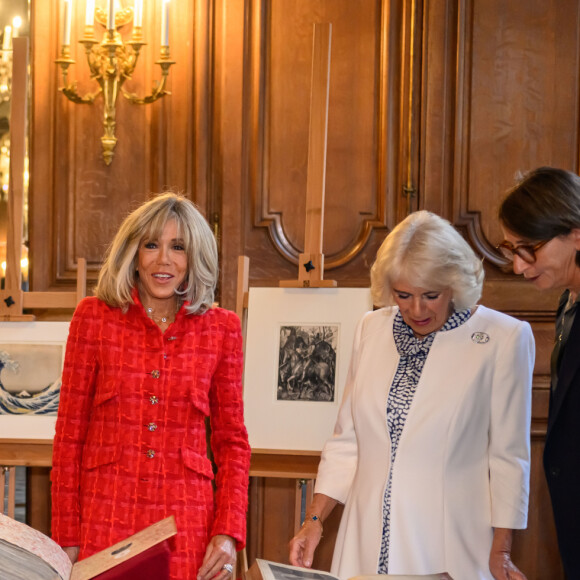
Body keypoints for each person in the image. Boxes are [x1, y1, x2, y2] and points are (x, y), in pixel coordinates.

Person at [289, 211, 534, 580]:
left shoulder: (504, 338)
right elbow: (347, 441)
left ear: (454, 285)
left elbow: (508, 457)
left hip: (450, 545)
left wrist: (501, 549)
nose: (416, 310)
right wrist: (314, 522)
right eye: (403, 295)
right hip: (365, 541)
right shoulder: (371, 329)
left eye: (431, 296)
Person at [51, 192, 251, 580]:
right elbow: (69, 437)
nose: (164, 260)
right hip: (103, 521)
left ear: (194, 257)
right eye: (152, 245)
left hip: (187, 529)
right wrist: (66, 535)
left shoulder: (221, 328)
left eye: (178, 247)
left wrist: (227, 532)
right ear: (133, 253)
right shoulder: (93, 318)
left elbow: (232, 442)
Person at [498, 166, 580, 580]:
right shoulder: (567, 303)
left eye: (528, 248)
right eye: (510, 249)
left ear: (575, 233)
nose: (517, 265)